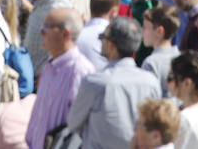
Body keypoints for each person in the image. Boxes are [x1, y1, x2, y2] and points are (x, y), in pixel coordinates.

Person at [66, 16, 162, 149]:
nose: (100, 41)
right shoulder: (151, 82)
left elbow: (73, 123)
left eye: (102, 37)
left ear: (111, 45)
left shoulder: (95, 83)